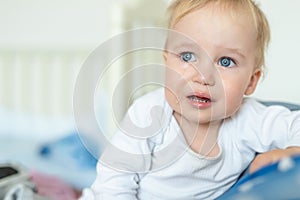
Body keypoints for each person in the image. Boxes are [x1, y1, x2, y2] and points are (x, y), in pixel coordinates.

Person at [80, 0, 300, 199]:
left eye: (225, 62)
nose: (203, 76)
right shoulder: (148, 114)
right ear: (166, 63)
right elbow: (112, 184)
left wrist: (289, 153)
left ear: (251, 81)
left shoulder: (248, 119)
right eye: (187, 57)